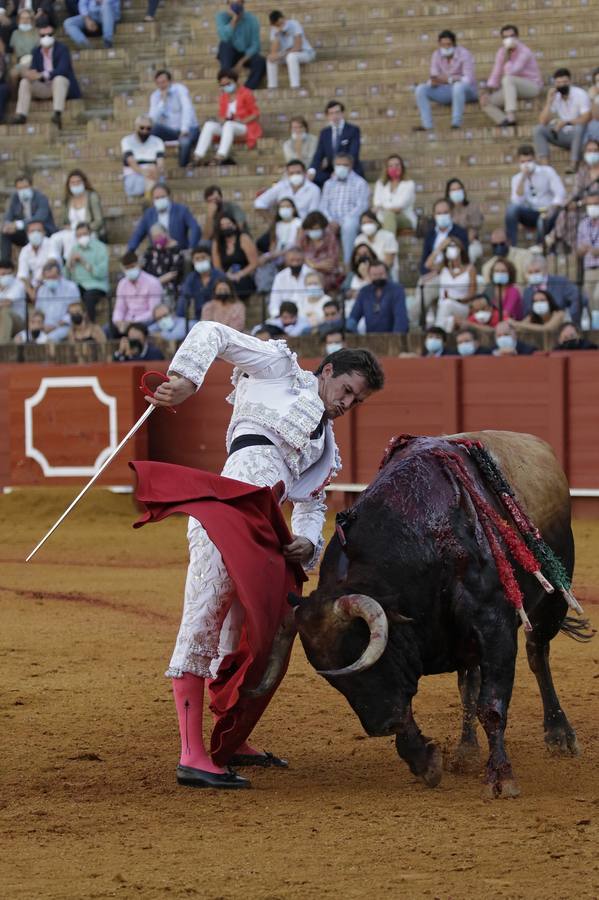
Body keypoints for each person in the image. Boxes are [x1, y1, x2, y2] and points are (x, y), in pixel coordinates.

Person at [144, 328, 384, 789]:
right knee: (202, 621)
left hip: (267, 533)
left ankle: (229, 738)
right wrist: (187, 380)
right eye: (346, 391)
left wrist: (307, 543)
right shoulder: (277, 369)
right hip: (228, 513)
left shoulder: (326, 447)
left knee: (251, 635)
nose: (346, 405)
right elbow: (211, 331)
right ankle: (192, 756)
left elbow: (312, 504)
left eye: (357, 402)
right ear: (328, 370)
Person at [11, 16, 81, 129]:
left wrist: (42, 75)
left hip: (60, 87)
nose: (46, 38)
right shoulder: (36, 51)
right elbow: (34, 70)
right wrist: (30, 74)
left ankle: (57, 114)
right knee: (25, 82)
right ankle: (21, 115)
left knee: (59, 79)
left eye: (49, 35)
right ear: (39, 36)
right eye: (43, 35)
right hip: (43, 86)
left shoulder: (62, 49)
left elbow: (62, 70)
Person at [193, 68, 262, 165]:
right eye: (223, 85)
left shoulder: (246, 93)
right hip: (228, 126)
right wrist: (221, 120)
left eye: (228, 84)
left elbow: (255, 114)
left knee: (229, 124)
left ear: (235, 81)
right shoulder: (224, 97)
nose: (226, 87)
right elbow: (222, 115)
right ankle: (197, 156)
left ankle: (220, 156)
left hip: (245, 126)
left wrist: (242, 121)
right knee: (209, 125)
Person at [414, 29, 477, 131]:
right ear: (439, 44)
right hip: (447, 90)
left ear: (454, 44)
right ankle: (427, 125)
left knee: (458, 86)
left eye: (449, 44)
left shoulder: (464, 54)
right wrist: (436, 81)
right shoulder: (436, 54)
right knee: (420, 89)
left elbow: (468, 79)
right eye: (443, 45)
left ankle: (456, 124)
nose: (446, 47)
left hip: (467, 92)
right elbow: (434, 76)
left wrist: (449, 80)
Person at [479, 23, 542, 127]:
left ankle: (511, 114)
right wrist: (486, 92)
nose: (509, 39)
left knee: (508, 79)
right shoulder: (501, 52)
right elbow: (496, 72)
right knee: (486, 102)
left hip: (531, 86)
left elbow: (512, 71)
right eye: (505, 37)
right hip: (512, 88)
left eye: (512, 36)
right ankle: (504, 121)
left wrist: (507, 56)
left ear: (517, 37)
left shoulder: (524, 51)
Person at [505, 145, 566, 246]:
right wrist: (523, 178)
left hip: (548, 212)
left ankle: (540, 248)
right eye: (523, 162)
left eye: (529, 161)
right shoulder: (516, 179)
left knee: (542, 221)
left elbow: (560, 193)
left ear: (535, 159)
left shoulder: (547, 171)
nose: (526, 165)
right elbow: (516, 201)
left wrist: (552, 208)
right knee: (511, 209)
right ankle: (512, 247)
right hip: (531, 213)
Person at [534, 68, 591, 173]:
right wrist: (549, 102)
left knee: (579, 128)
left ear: (570, 81)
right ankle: (546, 168)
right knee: (539, 129)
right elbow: (543, 121)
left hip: (582, 135)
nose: (562, 85)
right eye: (558, 83)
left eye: (565, 82)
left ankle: (573, 165)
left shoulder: (580, 94)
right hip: (564, 134)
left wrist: (567, 122)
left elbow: (586, 118)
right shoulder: (555, 96)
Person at [319, 152, 370, 265]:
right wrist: (330, 220)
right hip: (331, 220)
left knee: (349, 226)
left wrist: (340, 222)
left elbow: (361, 207)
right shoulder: (328, 184)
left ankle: (349, 264)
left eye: (345, 165)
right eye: (338, 165)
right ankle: (325, 264)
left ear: (351, 166)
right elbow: (323, 206)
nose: (341, 167)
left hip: (350, 219)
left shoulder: (360, 183)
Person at [148, 69, 200, 169]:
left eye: (164, 82)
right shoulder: (155, 96)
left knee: (184, 142)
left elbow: (187, 108)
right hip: (170, 131)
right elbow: (152, 119)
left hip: (189, 128)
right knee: (151, 130)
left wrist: (184, 129)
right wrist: (162, 102)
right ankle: (152, 164)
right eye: (158, 83)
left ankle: (182, 167)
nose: (161, 85)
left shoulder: (180, 89)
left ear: (170, 81)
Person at [554, 138, 599, 252]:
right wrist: (568, 203)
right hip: (584, 208)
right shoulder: (583, 171)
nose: (592, 153)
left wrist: (582, 202)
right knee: (566, 212)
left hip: (594, 205)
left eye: (595, 150)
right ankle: (573, 249)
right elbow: (576, 192)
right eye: (589, 151)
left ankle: (553, 238)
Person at [51, 168, 106, 260]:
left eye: (78, 182)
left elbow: (99, 221)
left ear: (84, 182)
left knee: (72, 238)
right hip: (71, 230)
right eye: (72, 182)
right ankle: (57, 265)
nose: (75, 185)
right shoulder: (68, 200)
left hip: (89, 231)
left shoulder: (92, 196)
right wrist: (66, 226)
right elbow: (63, 222)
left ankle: (72, 261)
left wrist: (85, 229)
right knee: (54, 238)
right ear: (68, 185)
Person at [127, 184, 200, 252]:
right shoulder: (149, 214)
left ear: (169, 197)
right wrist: (130, 250)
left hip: (179, 251)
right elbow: (138, 234)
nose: (160, 200)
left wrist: (192, 248)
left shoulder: (181, 210)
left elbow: (195, 227)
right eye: (157, 198)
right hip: (157, 254)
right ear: (153, 199)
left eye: (163, 197)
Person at [308, 100, 363, 188]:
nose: (335, 116)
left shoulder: (353, 130)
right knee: (314, 178)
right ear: (328, 116)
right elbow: (318, 154)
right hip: (331, 170)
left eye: (337, 112)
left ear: (342, 113)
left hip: (349, 168)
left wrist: (342, 168)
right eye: (331, 113)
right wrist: (312, 170)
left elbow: (353, 153)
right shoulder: (325, 133)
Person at [1, 174, 56, 261]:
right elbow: (8, 215)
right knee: (5, 233)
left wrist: (18, 225)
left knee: (31, 231)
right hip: (25, 232)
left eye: (25, 187)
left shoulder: (41, 197)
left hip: (44, 230)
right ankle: (5, 265)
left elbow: (40, 217)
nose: (23, 190)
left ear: (31, 186)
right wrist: (8, 226)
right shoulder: (15, 198)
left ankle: (31, 263)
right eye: (20, 188)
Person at [254, 197, 302, 294]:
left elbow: (297, 244)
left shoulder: (298, 223)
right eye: (282, 207)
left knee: (290, 258)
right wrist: (269, 256)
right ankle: (265, 291)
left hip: (292, 252)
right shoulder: (277, 225)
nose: (285, 209)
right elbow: (273, 245)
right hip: (277, 255)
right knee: (262, 261)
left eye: (287, 206)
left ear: (294, 209)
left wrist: (277, 254)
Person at [215, 0, 265, 91]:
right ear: (228, 4)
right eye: (233, 3)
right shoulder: (221, 17)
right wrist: (234, 19)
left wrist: (240, 63)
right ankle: (226, 84)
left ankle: (246, 90)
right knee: (225, 45)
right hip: (229, 53)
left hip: (245, 54)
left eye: (238, 3)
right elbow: (224, 37)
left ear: (243, 3)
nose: (236, 5)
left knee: (260, 62)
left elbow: (255, 45)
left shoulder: (252, 19)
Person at [64, 222, 109, 322]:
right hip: (78, 285)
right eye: (79, 235)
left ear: (90, 233)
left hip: (96, 285)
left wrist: (83, 261)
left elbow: (101, 273)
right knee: (67, 293)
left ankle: (91, 326)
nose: (82, 237)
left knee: (88, 296)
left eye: (84, 234)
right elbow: (66, 275)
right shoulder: (74, 248)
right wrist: (70, 263)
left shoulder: (100, 248)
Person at [347, 261, 408, 333]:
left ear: (387, 274)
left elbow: (400, 318)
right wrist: (350, 332)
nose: (378, 277)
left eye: (381, 274)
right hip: (370, 338)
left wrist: (395, 339)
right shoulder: (364, 292)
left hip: (392, 337)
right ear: (369, 275)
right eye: (375, 275)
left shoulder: (397, 290)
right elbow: (354, 316)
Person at [112, 251, 163, 336]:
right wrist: (118, 322)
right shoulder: (122, 284)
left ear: (138, 265)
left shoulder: (153, 283)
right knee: (109, 329)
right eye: (127, 268)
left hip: (146, 321)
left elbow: (154, 312)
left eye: (132, 267)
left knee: (134, 330)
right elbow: (119, 308)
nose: (130, 270)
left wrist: (133, 322)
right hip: (126, 321)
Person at [433, 237, 477, 332]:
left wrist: (455, 299)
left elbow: (472, 293)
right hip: (442, 307)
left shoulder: (470, 268)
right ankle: (444, 341)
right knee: (449, 321)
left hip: (461, 306)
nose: (451, 249)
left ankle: (436, 333)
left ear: (460, 248)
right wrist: (440, 248)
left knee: (447, 303)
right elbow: (427, 265)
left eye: (453, 246)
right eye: (448, 247)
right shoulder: (443, 267)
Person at [254, 158, 320, 221]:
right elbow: (259, 203)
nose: (295, 175)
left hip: (305, 228)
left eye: (298, 172)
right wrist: (272, 222)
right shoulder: (281, 186)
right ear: (287, 174)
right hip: (281, 227)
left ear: (304, 173)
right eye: (291, 173)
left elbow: (313, 215)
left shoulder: (314, 190)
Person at [211, 211, 257, 301]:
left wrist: (240, 274)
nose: (226, 227)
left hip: (244, 275)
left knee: (237, 288)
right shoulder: (216, 243)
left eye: (228, 224)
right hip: (225, 276)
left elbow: (254, 263)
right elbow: (217, 267)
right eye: (222, 225)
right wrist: (226, 276)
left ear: (235, 225)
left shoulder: (243, 238)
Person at [521, 256, 580, 322]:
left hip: (562, 324)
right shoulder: (527, 291)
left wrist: (568, 318)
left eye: (537, 271)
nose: (534, 275)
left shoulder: (560, 282)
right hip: (537, 328)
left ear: (545, 270)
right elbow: (527, 314)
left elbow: (577, 299)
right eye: (530, 272)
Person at [266, 10, 314, 90]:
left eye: (281, 23)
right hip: (287, 54)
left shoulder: (294, 24)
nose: (280, 25)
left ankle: (295, 86)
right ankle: (272, 87)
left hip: (305, 52)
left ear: (284, 18)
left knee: (291, 57)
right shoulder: (274, 30)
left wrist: (282, 54)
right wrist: (277, 34)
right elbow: (273, 52)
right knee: (270, 59)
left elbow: (298, 47)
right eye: (277, 25)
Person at [35, 259, 81, 341]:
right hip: (44, 328)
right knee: (20, 338)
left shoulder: (71, 287)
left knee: (47, 340)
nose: (50, 280)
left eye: (53, 277)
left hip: (64, 327)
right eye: (47, 278)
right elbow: (38, 313)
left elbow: (75, 312)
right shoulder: (42, 290)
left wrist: (55, 326)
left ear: (60, 275)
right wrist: (41, 326)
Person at [177, 243, 225, 322]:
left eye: (203, 257)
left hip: (219, 319)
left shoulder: (220, 276)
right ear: (193, 261)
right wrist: (181, 318)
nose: (200, 260)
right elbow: (185, 298)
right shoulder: (191, 278)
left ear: (209, 258)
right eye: (197, 259)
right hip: (197, 319)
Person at [297, 210, 342, 294]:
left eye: (317, 228)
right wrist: (315, 265)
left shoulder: (330, 238)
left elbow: (330, 264)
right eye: (311, 229)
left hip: (327, 275)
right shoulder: (304, 238)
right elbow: (298, 256)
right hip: (306, 273)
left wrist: (310, 263)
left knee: (315, 278)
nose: (314, 231)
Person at [121, 115, 166, 199]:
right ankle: (150, 198)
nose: (145, 131)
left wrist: (155, 171)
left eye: (148, 128)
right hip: (134, 178)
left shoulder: (158, 141)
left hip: (154, 176)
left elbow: (160, 164)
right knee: (156, 184)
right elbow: (133, 164)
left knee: (155, 173)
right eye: (142, 128)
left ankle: (149, 198)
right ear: (135, 127)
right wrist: (148, 173)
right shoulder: (126, 141)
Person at [142, 223, 184, 307]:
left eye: (158, 236)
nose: (156, 239)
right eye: (153, 237)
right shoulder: (151, 250)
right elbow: (143, 267)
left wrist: (155, 283)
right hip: (150, 285)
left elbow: (173, 273)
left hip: (167, 287)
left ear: (166, 234)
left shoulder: (176, 250)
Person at [372, 154, 416, 234]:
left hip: (404, 218)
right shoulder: (380, 184)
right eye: (391, 166)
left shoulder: (409, 184)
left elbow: (399, 207)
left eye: (397, 165)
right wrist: (382, 207)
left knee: (389, 215)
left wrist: (382, 207)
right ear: (386, 169)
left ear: (402, 167)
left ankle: (389, 245)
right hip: (382, 217)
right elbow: (376, 204)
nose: (394, 168)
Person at [17, 219, 59, 299]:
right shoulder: (25, 250)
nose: (35, 233)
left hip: (52, 281)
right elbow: (22, 275)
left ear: (44, 232)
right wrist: (31, 292)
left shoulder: (51, 243)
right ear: (27, 234)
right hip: (35, 286)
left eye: (39, 231)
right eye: (32, 231)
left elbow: (51, 264)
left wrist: (36, 289)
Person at [444, 178, 483, 264]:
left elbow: (472, 233)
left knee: (470, 253)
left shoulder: (472, 208)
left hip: (470, 243)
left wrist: (460, 247)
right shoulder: (446, 211)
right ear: (448, 193)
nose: (456, 192)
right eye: (453, 190)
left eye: (458, 189)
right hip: (449, 243)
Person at [268, 245, 311, 315]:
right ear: (286, 260)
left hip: (307, 317)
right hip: (284, 318)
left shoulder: (311, 274)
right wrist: (280, 317)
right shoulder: (280, 277)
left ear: (303, 259)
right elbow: (274, 304)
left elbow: (316, 300)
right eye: (292, 260)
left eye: (298, 260)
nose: (295, 263)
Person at [354, 209, 398, 275]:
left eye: (370, 222)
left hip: (385, 274)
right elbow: (357, 261)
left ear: (376, 223)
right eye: (364, 223)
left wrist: (374, 273)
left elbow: (389, 262)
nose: (367, 225)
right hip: (364, 274)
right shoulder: (359, 239)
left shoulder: (388, 236)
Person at [576, 189, 599, 315]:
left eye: (596, 204)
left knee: (598, 297)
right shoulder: (583, 224)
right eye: (590, 204)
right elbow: (578, 251)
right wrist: (582, 250)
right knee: (589, 300)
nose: (593, 207)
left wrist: (595, 250)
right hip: (589, 268)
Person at [8, 8, 39, 95]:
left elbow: (40, 51)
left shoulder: (37, 32)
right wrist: (14, 64)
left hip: (35, 60)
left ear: (31, 20)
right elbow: (14, 53)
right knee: (13, 73)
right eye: (22, 18)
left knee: (27, 70)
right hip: (21, 62)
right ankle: (14, 97)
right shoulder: (15, 33)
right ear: (18, 20)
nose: (25, 21)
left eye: (28, 18)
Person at [0, 258, 26, 343]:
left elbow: (7, 303)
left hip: (19, 323)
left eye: (8, 274)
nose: (5, 277)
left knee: (5, 312)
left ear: (13, 273)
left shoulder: (18, 284)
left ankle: (3, 346)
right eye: (3, 274)